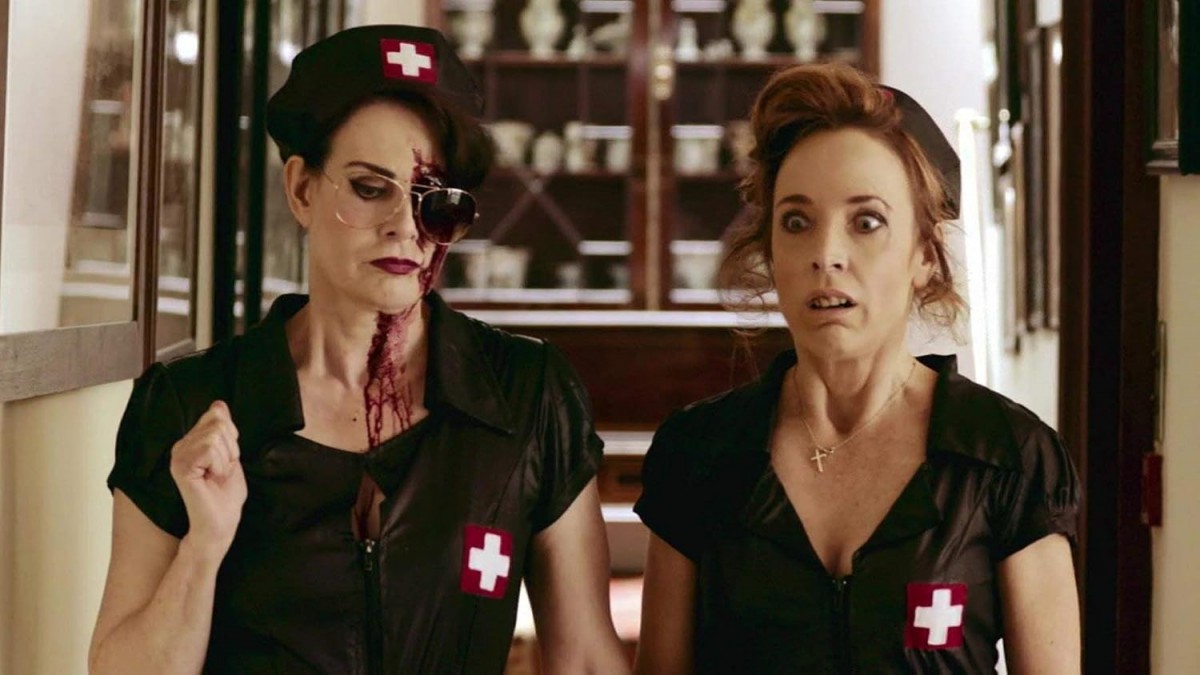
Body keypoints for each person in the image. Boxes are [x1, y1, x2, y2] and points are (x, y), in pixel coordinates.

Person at [89, 25, 629, 674]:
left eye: (435, 201)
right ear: (301, 189)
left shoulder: (526, 396)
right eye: (371, 188)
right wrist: (204, 548)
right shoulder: (187, 406)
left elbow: (586, 659)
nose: (405, 226)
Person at [633, 63, 1081, 673]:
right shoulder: (698, 454)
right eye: (797, 222)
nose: (826, 255)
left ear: (924, 255)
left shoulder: (1007, 456)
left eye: (866, 221)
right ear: (770, 251)